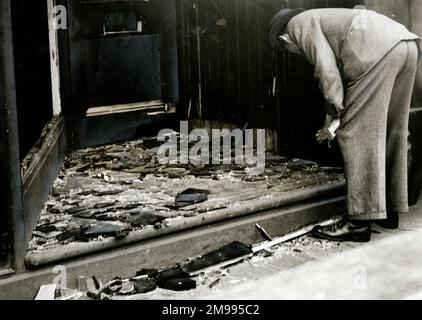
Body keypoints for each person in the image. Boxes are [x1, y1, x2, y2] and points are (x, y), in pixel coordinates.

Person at [269, 8, 421, 242]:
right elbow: (339, 78)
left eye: (289, 51)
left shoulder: (297, 25)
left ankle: (358, 222)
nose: (295, 53)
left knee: (354, 132)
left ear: (284, 39)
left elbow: (327, 71)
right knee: (393, 130)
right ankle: (389, 211)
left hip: (373, 51)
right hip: (405, 44)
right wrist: (331, 119)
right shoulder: (326, 17)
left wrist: (338, 115)